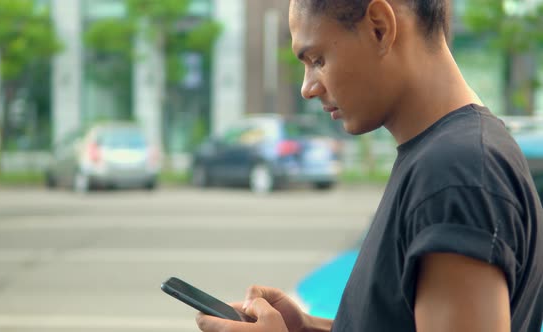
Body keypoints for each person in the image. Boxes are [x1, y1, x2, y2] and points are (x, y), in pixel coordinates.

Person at [195, 0, 543, 331]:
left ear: (379, 27)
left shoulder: (455, 172)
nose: (307, 88)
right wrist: (306, 327)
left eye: (317, 59)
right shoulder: (449, 156)